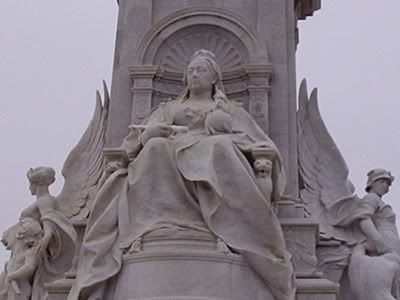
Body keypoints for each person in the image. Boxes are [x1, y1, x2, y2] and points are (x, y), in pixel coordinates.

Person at [69, 50, 295, 300]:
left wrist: (238, 140)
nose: (194, 75)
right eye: (191, 71)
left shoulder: (229, 109)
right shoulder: (170, 108)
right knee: (155, 148)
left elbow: (257, 140)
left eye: (201, 70)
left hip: (212, 151)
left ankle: (224, 226)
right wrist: (151, 133)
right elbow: (137, 139)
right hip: (171, 150)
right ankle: (154, 224)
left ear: (214, 78)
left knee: (220, 148)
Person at [18, 167, 77, 299]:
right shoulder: (46, 200)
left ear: (37, 183)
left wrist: (46, 238)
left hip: (36, 248)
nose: (29, 188)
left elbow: (49, 220)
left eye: (30, 184)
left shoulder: (45, 200)